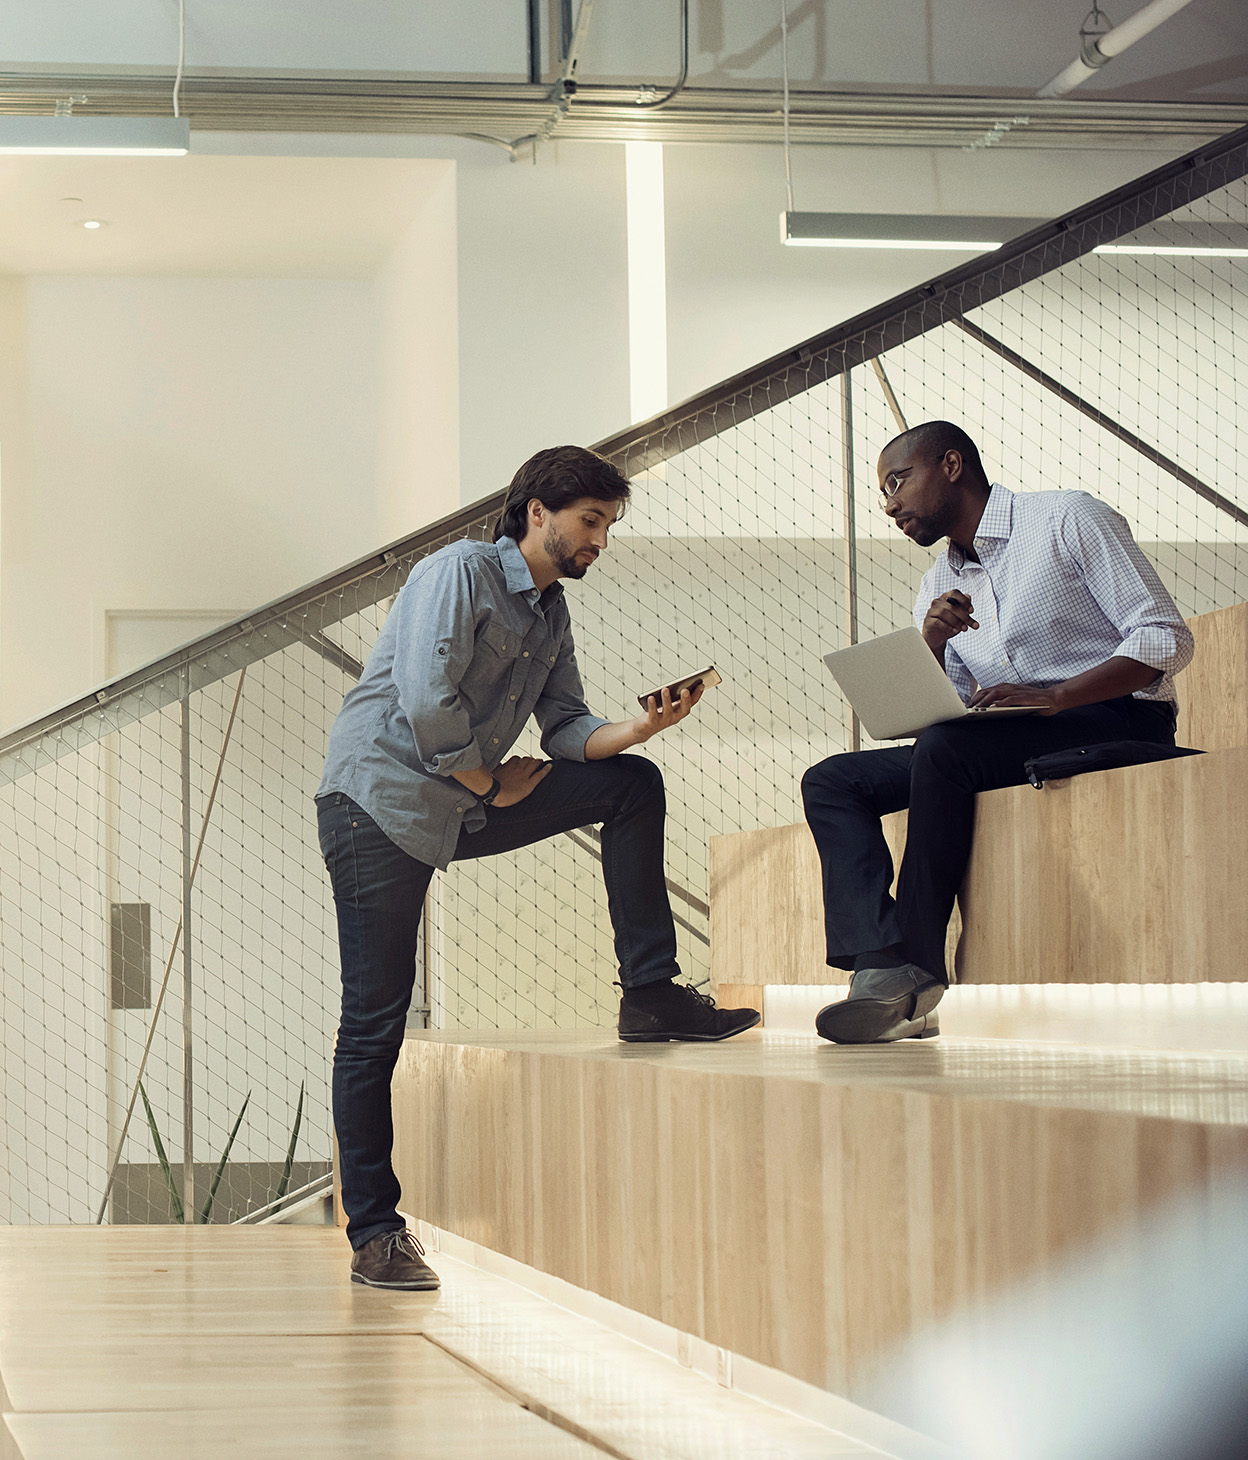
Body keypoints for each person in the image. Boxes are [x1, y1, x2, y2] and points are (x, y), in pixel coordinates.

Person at [315, 445, 760, 1290]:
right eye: (591, 522)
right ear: (537, 513)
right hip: (379, 804)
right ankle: (375, 1234)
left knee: (632, 785)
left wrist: (635, 731)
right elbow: (424, 701)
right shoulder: (457, 573)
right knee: (374, 1022)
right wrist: (492, 782)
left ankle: (652, 995)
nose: (601, 540)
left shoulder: (550, 615)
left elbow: (565, 728)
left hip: (469, 797)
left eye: (608, 526)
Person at [801, 421, 1193, 1045]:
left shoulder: (1067, 518)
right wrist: (929, 643)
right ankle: (878, 961)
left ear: (951, 465)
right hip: (996, 737)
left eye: (897, 481)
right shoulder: (937, 584)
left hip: (1114, 715)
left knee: (948, 749)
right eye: (881, 493)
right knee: (832, 780)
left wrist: (1058, 695)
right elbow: (948, 709)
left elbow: (1164, 639)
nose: (890, 504)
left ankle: (919, 965)